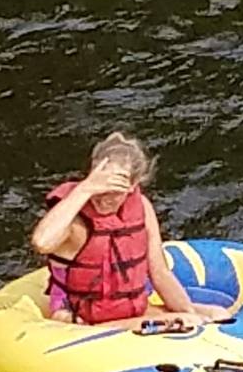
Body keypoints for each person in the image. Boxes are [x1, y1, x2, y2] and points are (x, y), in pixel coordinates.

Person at [30, 131, 227, 327]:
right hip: (83, 321)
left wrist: (189, 311)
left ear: (132, 186)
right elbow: (42, 242)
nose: (104, 197)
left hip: (129, 312)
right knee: (187, 321)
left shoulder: (141, 207)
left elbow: (159, 273)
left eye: (114, 191)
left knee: (216, 314)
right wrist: (86, 188)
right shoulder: (76, 220)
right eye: (101, 187)